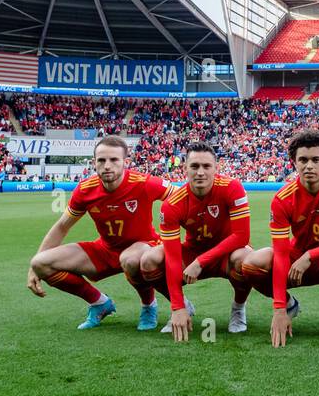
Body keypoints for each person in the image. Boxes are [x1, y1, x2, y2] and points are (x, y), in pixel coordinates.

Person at [235, 131, 319, 346]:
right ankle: (290, 305)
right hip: (296, 263)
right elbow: (279, 253)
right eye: (303, 160)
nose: (309, 166)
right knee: (251, 264)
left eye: (316, 160)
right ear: (294, 163)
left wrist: (311, 255)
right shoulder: (282, 199)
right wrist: (279, 307)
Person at [25, 136, 170, 330]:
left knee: (132, 260)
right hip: (106, 250)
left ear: (126, 162)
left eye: (114, 160)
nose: (107, 165)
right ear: (94, 163)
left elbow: (181, 198)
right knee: (40, 263)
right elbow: (62, 226)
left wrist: (170, 238)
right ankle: (99, 303)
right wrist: (32, 269)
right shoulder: (85, 189)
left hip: (143, 249)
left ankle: (148, 306)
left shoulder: (144, 182)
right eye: (101, 160)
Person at [138, 142, 253, 342]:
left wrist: (201, 262)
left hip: (227, 252)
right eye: (194, 166)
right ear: (185, 168)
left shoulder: (232, 187)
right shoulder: (172, 204)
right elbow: (173, 257)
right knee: (149, 260)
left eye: (206, 166)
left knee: (246, 258)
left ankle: (238, 308)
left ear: (216, 168)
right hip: (193, 252)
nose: (200, 172)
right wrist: (177, 306)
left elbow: (242, 237)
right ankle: (184, 306)